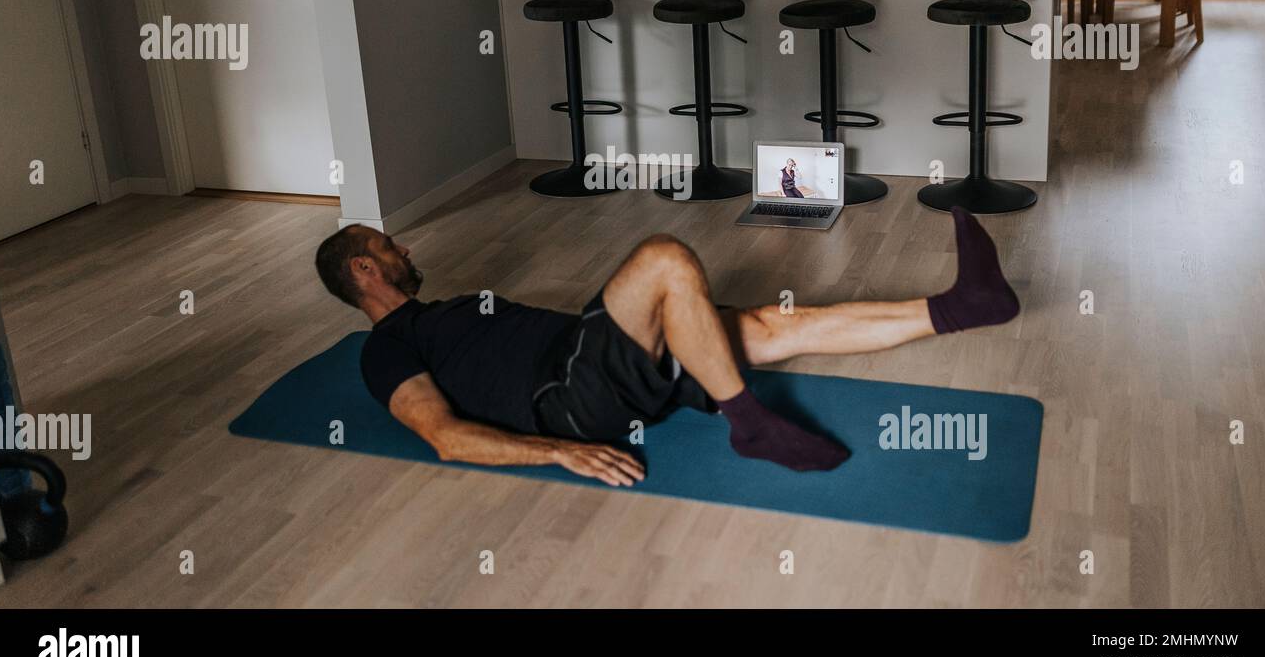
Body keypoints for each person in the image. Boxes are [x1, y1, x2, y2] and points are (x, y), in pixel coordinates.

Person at [314, 207, 1019, 487]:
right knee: (663, 258)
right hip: (565, 396)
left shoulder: (445, 307)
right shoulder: (384, 349)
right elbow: (443, 437)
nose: (402, 247)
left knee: (776, 325)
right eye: (386, 247)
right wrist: (556, 450)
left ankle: (962, 307)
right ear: (364, 273)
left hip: (598, 361)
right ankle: (750, 425)